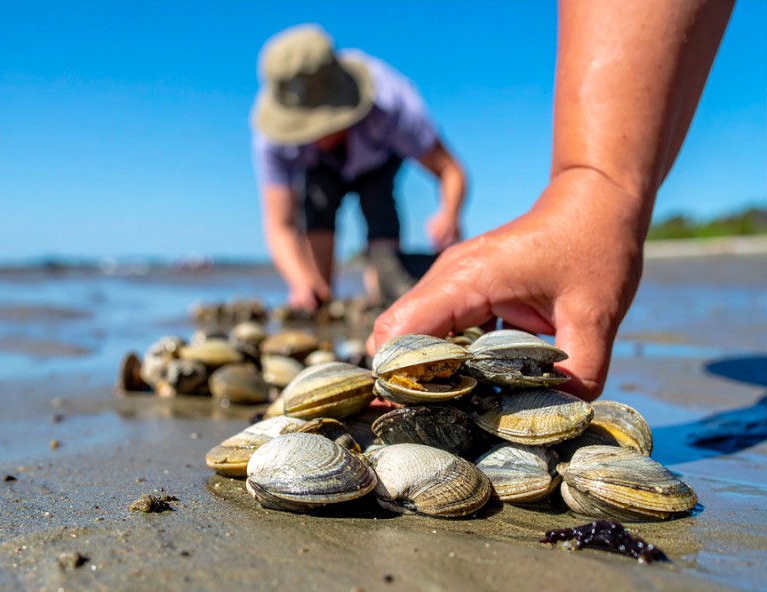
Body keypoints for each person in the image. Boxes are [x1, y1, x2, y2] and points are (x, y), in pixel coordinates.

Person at [368, 0, 735, 401]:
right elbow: (288, 217)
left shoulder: (393, 105)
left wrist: (597, 189)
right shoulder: (295, 156)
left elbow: (450, 170)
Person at [251, 24, 467, 310]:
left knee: (380, 213)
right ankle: (321, 297)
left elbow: (451, 171)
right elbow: (280, 223)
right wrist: (300, 282)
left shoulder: (390, 102)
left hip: (378, 162)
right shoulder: (272, 140)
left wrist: (449, 214)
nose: (317, 134)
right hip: (319, 171)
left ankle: (382, 296)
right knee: (318, 206)